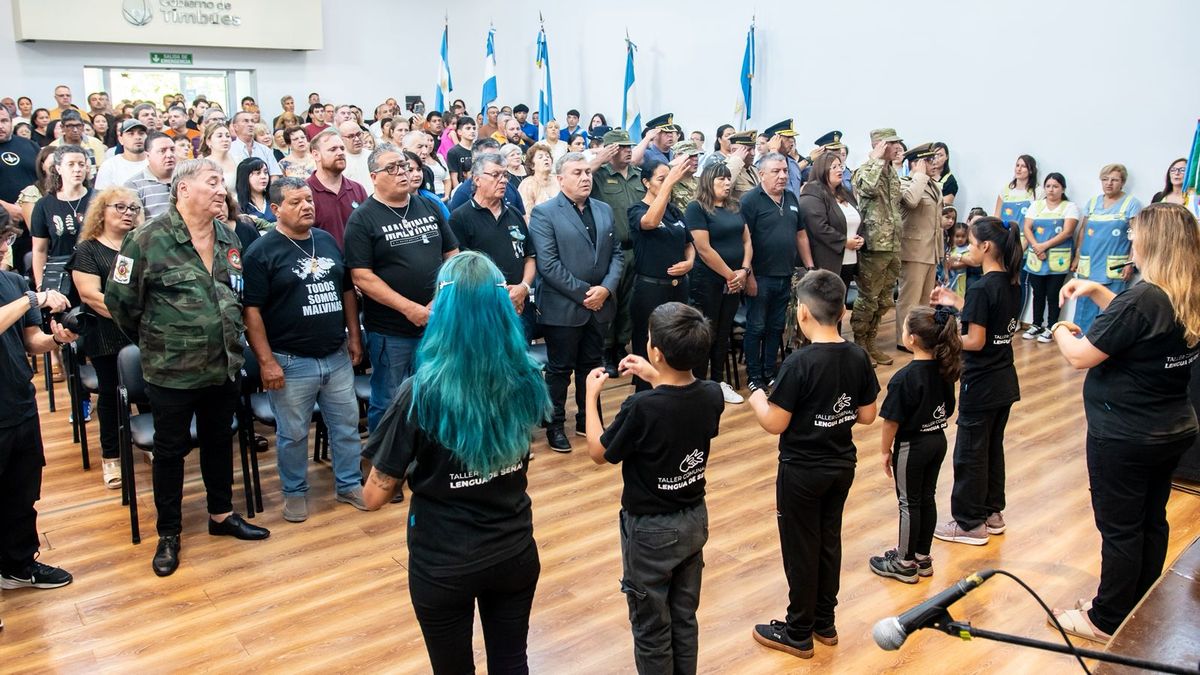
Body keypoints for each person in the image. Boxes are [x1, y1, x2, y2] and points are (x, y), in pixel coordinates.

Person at [361, 252, 549, 675]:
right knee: (511, 662)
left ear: (442, 309)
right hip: (514, 549)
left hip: (444, 562)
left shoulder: (420, 392)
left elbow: (373, 496)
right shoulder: (527, 377)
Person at [105, 158, 271, 577]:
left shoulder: (228, 236)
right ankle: (170, 533)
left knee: (219, 443)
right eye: (212, 182)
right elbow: (121, 304)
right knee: (170, 451)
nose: (222, 190)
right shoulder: (145, 239)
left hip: (223, 365)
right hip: (172, 371)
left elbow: (234, 294)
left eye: (221, 182)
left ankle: (221, 515)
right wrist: (157, 343)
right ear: (183, 189)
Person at [1048, 202, 1200, 644]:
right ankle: (1138, 604)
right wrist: (1098, 291)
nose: (1130, 238)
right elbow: (1141, 324)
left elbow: (1080, 357)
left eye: (1136, 232)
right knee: (1151, 521)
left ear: (1154, 240)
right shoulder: (1183, 291)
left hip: (1127, 435)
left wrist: (1059, 329)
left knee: (1120, 529)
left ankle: (1106, 619)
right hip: (1171, 428)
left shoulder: (1144, 296)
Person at [583, 302, 724, 674]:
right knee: (683, 616)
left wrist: (590, 396)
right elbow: (678, 398)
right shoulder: (712, 394)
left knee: (650, 626)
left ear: (656, 352)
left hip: (651, 532)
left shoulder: (641, 407)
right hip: (694, 519)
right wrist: (654, 375)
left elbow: (599, 452)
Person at [747, 270, 879, 659]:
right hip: (841, 467)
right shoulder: (857, 355)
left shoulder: (799, 363)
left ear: (802, 314)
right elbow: (868, 415)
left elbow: (776, 423)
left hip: (802, 472)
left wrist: (757, 399)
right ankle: (825, 621)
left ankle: (799, 630)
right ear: (843, 312)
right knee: (827, 540)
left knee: (801, 547)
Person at [242, 177, 366, 522]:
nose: (306, 206)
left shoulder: (325, 241)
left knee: (345, 425)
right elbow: (251, 312)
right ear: (276, 209)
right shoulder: (261, 252)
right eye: (295, 202)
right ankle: (295, 492)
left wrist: (354, 336)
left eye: (308, 200)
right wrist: (266, 362)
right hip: (290, 360)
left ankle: (349, 484)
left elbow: (346, 293)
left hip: (335, 354)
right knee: (293, 434)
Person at [343, 143, 459, 433]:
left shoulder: (429, 205)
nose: (402, 173)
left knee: (434, 393)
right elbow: (361, 277)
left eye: (405, 166)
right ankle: (385, 465)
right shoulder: (362, 218)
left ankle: (427, 457)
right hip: (391, 330)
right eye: (392, 168)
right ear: (374, 176)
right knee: (389, 399)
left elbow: (452, 255)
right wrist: (410, 309)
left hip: (435, 322)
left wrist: (438, 299)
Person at [930, 216, 1022, 546]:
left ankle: (968, 523)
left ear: (984, 247)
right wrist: (956, 303)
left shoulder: (982, 288)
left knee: (970, 452)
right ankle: (991, 512)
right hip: (1004, 380)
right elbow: (990, 319)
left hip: (980, 383)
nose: (967, 248)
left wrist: (941, 341)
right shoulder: (1012, 281)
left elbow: (976, 341)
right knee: (991, 448)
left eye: (970, 243)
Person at [529, 152, 624, 451]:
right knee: (559, 370)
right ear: (560, 179)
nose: (585, 177)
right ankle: (555, 424)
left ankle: (588, 418)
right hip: (564, 307)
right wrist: (588, 294)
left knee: (592, 366)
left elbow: (617, 255)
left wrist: (606, 290)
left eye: (587, 172)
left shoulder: (603, 209)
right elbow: (548, 265)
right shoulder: (545, 213)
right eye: (577, 173)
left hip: (600, 305)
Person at [869, 306, 961, 583]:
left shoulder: (904, 378)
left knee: (908, 503)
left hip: (913, 447)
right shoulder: (945, 369)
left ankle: (904, 562)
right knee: (927, 497)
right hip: (937, 441)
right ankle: (922, 556)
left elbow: (891, 422)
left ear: (911, 339)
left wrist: (885, 451)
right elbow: (948, 409)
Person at [0, 267, 78, 596]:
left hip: (19, 404)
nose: (4, 246)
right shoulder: (24, 293)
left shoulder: (12, 282)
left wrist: (56, 339)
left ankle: (16, 566)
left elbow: (30, 341)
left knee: (22, 494)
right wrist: (34, 298)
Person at [69, 187, 140, 489]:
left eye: (133, 208)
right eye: (120, 207)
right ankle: (111, 457)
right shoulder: (87, 249)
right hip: (106, 333)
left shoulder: (140, 244)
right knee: (110, 395)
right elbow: (90, 295)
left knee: (149, 391)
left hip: (142, 332)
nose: (128, 213)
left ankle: (152, 444)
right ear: (102, 211)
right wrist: (134, 315)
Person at [742, 153, 811, 393]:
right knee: (756, 327)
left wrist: (810, 268)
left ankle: (770, 372)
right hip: (759, 276)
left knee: (776, 327)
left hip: (785, 275)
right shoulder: (750, 201)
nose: (783, 176)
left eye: (785, 171)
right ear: (761, 174)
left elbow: (800, 234)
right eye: (776, 171)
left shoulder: (791, 197)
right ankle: (754, 376)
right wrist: (748, 275)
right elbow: (744, 240)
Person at [447, 153, 536, 338]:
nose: (503, 180)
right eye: (495, 175)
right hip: (482, 310)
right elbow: (460, 270)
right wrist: (501, 296)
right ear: (477, 179)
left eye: (505, 175)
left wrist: (523, 288)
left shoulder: (514, 214)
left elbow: (529, 256)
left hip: (519, 306)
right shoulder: (460, 217)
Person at [626, 160, 695, 392]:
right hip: (650, 291)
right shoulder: (636, 210)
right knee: (648, 346)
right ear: (646, 182)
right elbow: (651, 222)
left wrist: (689, 262)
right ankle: (645, 396)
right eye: (661, 179)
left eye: (669, 177)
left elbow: (688, 242)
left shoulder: (674, 211)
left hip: (678, 288)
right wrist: (671, 183)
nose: (668, 182)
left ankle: (673, 392)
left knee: (675, 342)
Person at [687, 161, 752, 404]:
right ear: (708, 182)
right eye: (721, 179)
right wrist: (731, 275)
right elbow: (703, 249)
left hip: (735, 280)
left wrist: (744, 270)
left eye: (728, 179)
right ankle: (699, 384)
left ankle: (717, 381)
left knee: (724, 332)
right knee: (707, 332)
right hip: (709, 281)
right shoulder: (697, 208)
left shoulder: (734, 206)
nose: (727, 183)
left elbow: (747, 240)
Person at [590, 128, 646, 376]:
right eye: (622, 147)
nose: (628, 150)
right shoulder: (599, 175)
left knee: (629, 303)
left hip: (638, 249)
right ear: (610, 149)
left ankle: (620, 346)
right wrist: (599, 159)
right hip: (611, 251)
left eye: (629, 146)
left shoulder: (638, 175)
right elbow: (576, 176)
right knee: (609, 302)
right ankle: (605, 348)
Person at [851, 128, 905, 367]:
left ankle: (871, 342)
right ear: (881, 145)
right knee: (868, 298)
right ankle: (859, 343)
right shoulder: (865, 170)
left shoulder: (892, 172)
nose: (898, 148)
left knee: (885, 299)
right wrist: (876, 159)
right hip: (874, 245)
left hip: (892, 244)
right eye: (893, 144)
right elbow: (867, 189)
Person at [1071, 164, 1142, 332]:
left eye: (1114, 180)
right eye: (1105, 179)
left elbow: (1137, 234)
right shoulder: (1093, 202)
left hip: (1114, 266)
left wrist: (1130, 262)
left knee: (1110, 310)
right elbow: (1083, 230)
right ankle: (1080, 343)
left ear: (1122, 182)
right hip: (1088, 264)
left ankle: (1104, 349)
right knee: (1083, 308)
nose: (1109, 183)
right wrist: (1077, 256)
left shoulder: (1131, 204)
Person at [895, 143, 944, 352]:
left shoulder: (933, 185)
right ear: (915, 163)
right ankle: (903, 339)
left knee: (925, 301)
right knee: (909, 299)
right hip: (913, 251)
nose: (934, 164)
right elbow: (911, 202)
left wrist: (940, 252)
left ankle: (921, 337)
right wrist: (920, 176)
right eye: (928, 160)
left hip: (930, 250)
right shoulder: (904, 183)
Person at [1021, 173, 1079, 341]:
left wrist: (1044, 246)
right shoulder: (1036, 206)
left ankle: (1052, 326)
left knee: (1053, 294)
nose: (1051, 190)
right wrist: (1036, 246)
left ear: (1063, 189)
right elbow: (1027, 228)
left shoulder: (1069, 207)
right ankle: (1036, 324)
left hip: (1057, 260)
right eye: (1048, 186)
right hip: (1036, 258)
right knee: (1037, 293)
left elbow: (1068, 232)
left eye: (1055, 186)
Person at [31, 145, 92, 294]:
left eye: (81, 164)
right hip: (61, 276)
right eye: (70, 164)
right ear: (58, 168)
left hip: (94, 273)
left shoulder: (99, 199)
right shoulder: (44, 205)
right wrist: (41, 287)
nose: (77, 169)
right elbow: (39, 250)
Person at [306, 128, 367, 250]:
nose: (340, 153)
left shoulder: (357, 189)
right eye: (333, 149)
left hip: (358, 263)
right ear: (316, 155)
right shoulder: (305, 192)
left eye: (342, 148)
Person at [123, 132, 177, 219]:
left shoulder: (186, 178)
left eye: (172, 149)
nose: (169, 155)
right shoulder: (133, 185)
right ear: (148, 156)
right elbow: (136, 223)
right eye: (162, 151)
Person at [50, 111, 106, 180]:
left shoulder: (95, 143)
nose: (75, 130)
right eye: (70, 126)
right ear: (62, 127)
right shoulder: (54, 146)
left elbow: (102, 168)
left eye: (78, 126)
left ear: (83, 126)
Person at [229, 112, 282, 177]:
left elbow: (275, 175)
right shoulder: (229, 150)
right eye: (246, 121)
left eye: (252, 121)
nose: (250, 124)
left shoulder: (265, 150)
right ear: (235, 127)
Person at [994, 154, 1038, 228]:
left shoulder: (1037, 191)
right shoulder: (1005, 190)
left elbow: (1038, 219)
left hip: (1026, 237)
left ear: (1031, 171)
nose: (1019, 169)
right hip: (1006, 236)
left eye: (1023, 166)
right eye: (1017, 165)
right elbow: (997, 216)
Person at [517, 143, 558, 216]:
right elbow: (527, 215)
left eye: (548, 156)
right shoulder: (527, 184)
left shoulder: (558, 180)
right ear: (532, 165)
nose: (546, 158)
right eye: (540, 157)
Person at [198, 121, 238, 189]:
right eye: (219, 136)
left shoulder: (238, 160)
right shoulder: (203, 165)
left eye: (228, 136)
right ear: (208, 141)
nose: (225, 139)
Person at [235, 158, 275, 224]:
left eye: (265, 172)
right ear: (245, 177)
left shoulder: (275, 198)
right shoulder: (236, 203)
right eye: (258, 173)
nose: (263, 176)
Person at [446, 116, 477, 188]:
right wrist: (458, 193)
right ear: (459, 132)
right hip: (463, 188)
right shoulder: (453, 152)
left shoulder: (479, 149)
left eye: (474, 128)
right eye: (468, 128)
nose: (472, 131)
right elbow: (454, 177)